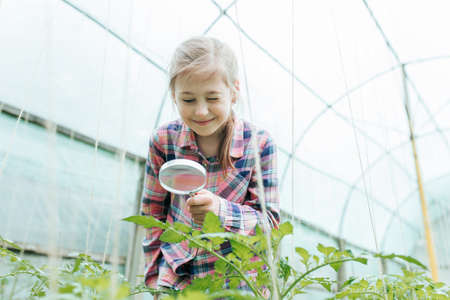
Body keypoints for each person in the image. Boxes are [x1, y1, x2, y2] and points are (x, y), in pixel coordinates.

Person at [140, 36, 280, 298]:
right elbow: (152, 217)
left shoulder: (259, 144)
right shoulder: (164, 140)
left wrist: (221, 211)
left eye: (213, 98)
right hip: (179, 281)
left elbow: (270, 225)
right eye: (189, 100)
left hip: (238, 282)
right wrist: (154, 283)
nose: (201, 111)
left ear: (234, 91)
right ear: (174, 96)